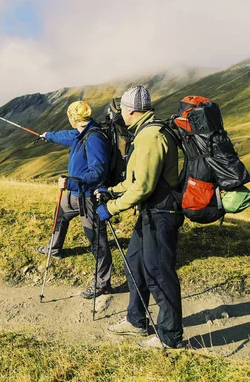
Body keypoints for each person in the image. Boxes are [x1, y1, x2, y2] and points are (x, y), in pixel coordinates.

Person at [96, 86, 184, 349]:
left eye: (122, 109)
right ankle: (136, 321)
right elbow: (135, 180)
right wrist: (110, 191)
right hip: (150, 213)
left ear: (131, 110)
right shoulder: (145, 133)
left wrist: (111, 208)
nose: (120, 114)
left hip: (161, 213)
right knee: (136, 263)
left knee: (158, 272)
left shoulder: (150, 137)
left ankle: (170, 336)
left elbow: (143, 187)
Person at [38, 100, 113, 299]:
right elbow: (66, 136)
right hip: (74, 193)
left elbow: (98, 172)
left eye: (70, 116)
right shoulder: (81, 132)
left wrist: (71, 184)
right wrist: (48, 136)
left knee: (97, 240)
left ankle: (102, 284)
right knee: (60, 216)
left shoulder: (94, 138)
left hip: (88, 196)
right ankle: (53, 248)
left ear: (74, 117)